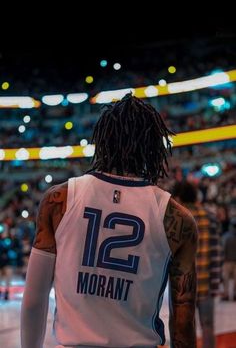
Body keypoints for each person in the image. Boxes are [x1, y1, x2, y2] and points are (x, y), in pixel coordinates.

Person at [21, 94, 198, 348]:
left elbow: (34, 300)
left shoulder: (58, 199)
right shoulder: (177, 218)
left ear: (102, 141)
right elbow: (183, 324)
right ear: (155, 147)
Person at [173, 180, 222, 348]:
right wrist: (215, 285)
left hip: (182, 290)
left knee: (182, 332)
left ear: (178, 197)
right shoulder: (210, 218)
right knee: (208, 326)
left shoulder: (177, 220)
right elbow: (216, 255)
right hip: (206, 285)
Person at [222, 217, 236, 301]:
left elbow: (223, 248)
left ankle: (229, 294)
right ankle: (228, 294)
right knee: (226, 279)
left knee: (227, 279)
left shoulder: (226, 236)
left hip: (229, 261)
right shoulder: (226, 236)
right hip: (227, 261)